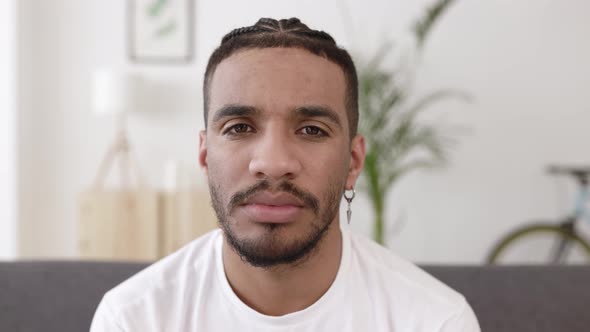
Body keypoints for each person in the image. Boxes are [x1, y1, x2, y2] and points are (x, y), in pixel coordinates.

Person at [90, 17, 481, 331]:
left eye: (312, 130)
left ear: (354, 162)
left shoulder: (434, 320)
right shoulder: (133, 318)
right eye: (240, 127)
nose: (273, 163)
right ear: (205, 155)